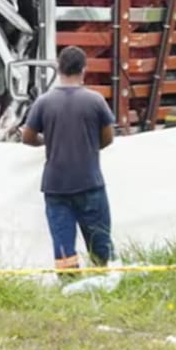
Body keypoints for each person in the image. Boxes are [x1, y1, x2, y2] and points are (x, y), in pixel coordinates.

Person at [22, 46, 115, 269]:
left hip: (56, 187)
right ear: (84, 69)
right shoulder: (96, 101)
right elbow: (108, 138)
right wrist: (90, 146)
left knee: (63, 246)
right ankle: (104, 278)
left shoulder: (43, 103)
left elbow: (27, 137)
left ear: (58, 67)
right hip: (90, 182)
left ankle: (69, 286)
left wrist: (49, 142)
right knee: (100, 241)